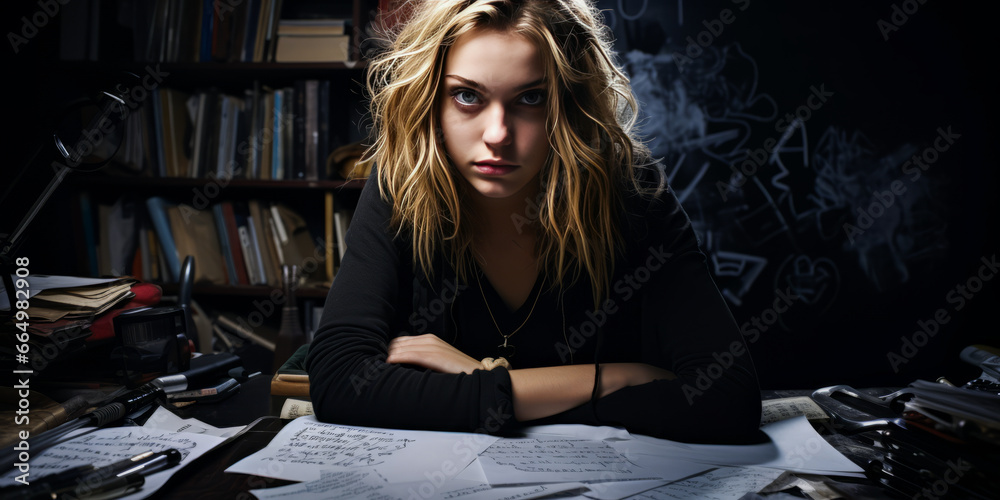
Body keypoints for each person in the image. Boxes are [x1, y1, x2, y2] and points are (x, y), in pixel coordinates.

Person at [306, 0, 761, 443]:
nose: (498, 134)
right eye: (467, 96)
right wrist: (617, 379)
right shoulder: (402, 186)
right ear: (431, 101)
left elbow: (726, 398)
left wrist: (479, 378)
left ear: (570, 106)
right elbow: (340, 382)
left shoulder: (633, 193)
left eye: (531, 98)